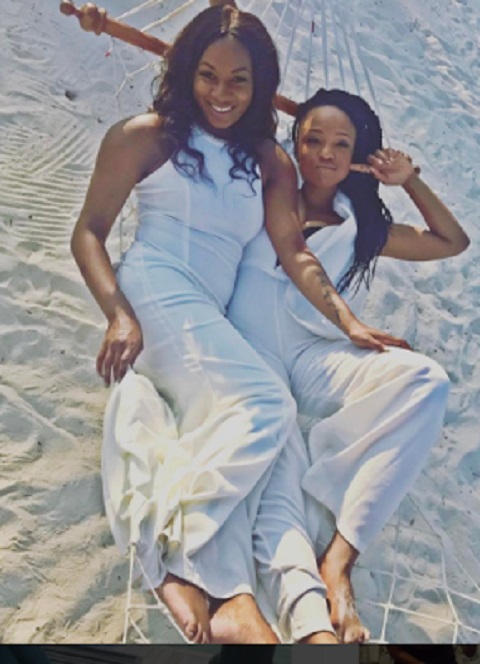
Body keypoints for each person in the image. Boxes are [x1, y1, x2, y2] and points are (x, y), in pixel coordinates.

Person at [71, 5, 401, 644]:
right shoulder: (145, 137)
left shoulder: (269, 160)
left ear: (260, 84)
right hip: (156, 291)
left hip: (210, 312)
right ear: (186, 72)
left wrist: (348, 321)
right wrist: (118, 313)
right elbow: (89, 231)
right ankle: (181, 560)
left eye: (238, 81)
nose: (221, 94)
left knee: (263, 434)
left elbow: (294, 250)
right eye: (208, 75)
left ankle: (235, 597)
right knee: (267, 404)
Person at [227, 88, 469, 643]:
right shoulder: (262, 188)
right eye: (313, 139)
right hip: (247, 352)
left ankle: (339, 557)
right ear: (295, 142)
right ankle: (306, 615)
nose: (325, 154)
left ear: (358, 155)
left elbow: (451, 241)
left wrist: (408, 180)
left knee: (425, 381)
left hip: (314, 356)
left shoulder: (359, 225)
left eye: (341, 144)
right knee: (278, 470)